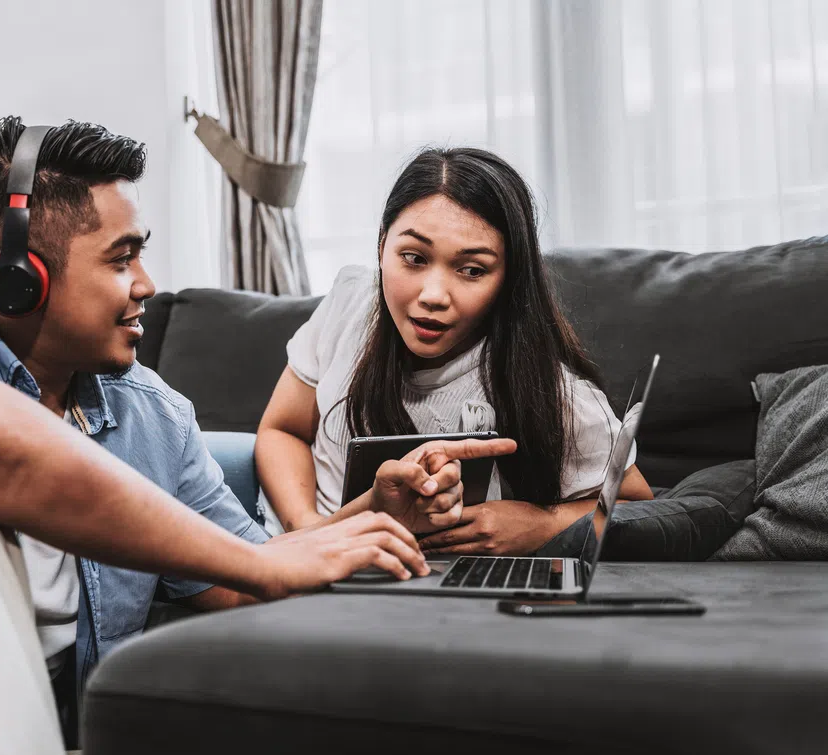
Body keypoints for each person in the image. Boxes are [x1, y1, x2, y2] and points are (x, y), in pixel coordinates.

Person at [0, 118, 514, 755]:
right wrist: (265, 557)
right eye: (122, 258)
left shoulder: (149, 414)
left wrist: (367, 517)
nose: (147, 284)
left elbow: (238, 578)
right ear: (20, 279)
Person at [256, 147, 654, 555]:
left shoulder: (551, 389)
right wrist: (310, 533)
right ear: (381, 246)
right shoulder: (350, 302)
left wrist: (542, 523)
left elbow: (638, 505)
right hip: (295, 561)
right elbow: (281, 429)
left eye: (472, 270)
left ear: (508, 278)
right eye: (413, 258)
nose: (433, 296)